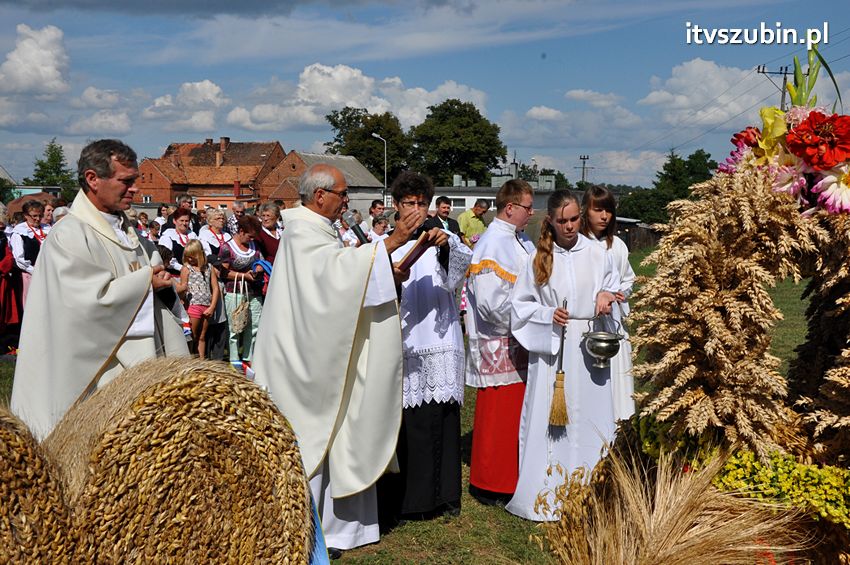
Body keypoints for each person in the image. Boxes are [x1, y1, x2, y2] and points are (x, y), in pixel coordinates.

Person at [252, 164, 419, 555]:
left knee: (336, 429)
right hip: (302, 359)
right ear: (320, 195)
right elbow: (333, 279)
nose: (347, 200)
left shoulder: (317, 227)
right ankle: (311, 528)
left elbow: (340, 278)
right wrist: (392, 241)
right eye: (343, 193)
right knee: (313, 434)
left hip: (319, 348)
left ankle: (341, 528)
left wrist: (383, 271)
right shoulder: (302, 231)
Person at [10, 139, 188, 440]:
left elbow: (150, 274)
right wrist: (145, 282)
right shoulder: (69, 236)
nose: (135, 188)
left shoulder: (129, 233)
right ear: (93, 179)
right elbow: (83, 308)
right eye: (126, 181)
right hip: (97, 379)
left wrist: (158, 279)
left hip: (141, 373)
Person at [507, 189, 621, 521]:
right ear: (550, 222)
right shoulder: (537, 259)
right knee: (550, 419)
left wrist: (606, 294)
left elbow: (616, 285)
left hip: (589, 350)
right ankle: (549, 491)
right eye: (562, 221)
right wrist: (548, 314)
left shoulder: (598, 253)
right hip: (554, 350)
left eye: (574, 219)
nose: (569, 227)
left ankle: (593, 491)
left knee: (592, 416)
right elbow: (520, 306)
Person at [381, 172, 472, 522]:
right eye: (409, 203)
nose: (416, 209)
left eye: (422, 203)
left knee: (443, 420)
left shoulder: (442, 236)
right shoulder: (385, 242)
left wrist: (446, 246)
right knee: (411, 423)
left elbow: (459, 271)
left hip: (440, 339)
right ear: (396, 205)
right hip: (406, 339)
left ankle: (446, 496)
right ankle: (413, 500)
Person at [465, 179, 535, 506]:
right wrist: (529, 319)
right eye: (527, 207)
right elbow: (490, 304)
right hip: (501, 340)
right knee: (498, 415)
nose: (532, 213)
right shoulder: (492, 244)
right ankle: (490, 482)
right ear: (510, 207)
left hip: (520, 339)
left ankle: (512, 476)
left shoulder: (520, 239)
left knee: (516, 414)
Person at [580, 185, 636, 421]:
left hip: (613, 322)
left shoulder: (618, 245)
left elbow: (628, 278)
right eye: (598, 210)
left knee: (618, 380)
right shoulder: (578, 244)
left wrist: (621, 293)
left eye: (608, 210)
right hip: (588, 321)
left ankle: (618, 423)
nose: (604, 216)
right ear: (586, 210)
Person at [219, 214, 264, 371]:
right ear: (241, 231)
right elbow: (222, 272)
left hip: (254, 291)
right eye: (249, 236)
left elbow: (260, 261)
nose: (251, 239)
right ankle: (234, 359)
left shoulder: (254, 246)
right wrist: (244, 276)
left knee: (255, 325)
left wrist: (259, 268)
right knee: (235, 327)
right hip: (234, 291)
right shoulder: (227, 247)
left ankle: (249, 357)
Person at [178, 240, 219, 359]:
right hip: (193, 305)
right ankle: (190, 360)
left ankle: (201, 360)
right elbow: (183, 287)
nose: (190, 259)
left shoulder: (209, 268)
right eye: (187, 256)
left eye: (192, 256)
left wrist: (212, 306)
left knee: (202, 336)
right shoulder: (186, 268)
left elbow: (215, 288)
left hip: (206, 305)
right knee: (192, 335)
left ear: (200, 253)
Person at [10, 200, 50, 308]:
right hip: (29, 275)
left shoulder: (47, 228)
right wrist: (35, 271)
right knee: (32, 305)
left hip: (48, 273)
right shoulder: (20, 232)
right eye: (34, 216)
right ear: (26, 215)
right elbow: (19, 259)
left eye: (40, 215)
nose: (38, 219)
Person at [158, 208, 199, 273]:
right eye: (181, 220)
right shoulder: (168, 235)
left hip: (193, 272)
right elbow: (166, 258)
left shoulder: (192, 235)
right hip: (174, 273)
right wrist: (182, 268)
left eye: (186, 221)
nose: (184, 223)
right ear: (174, 221)